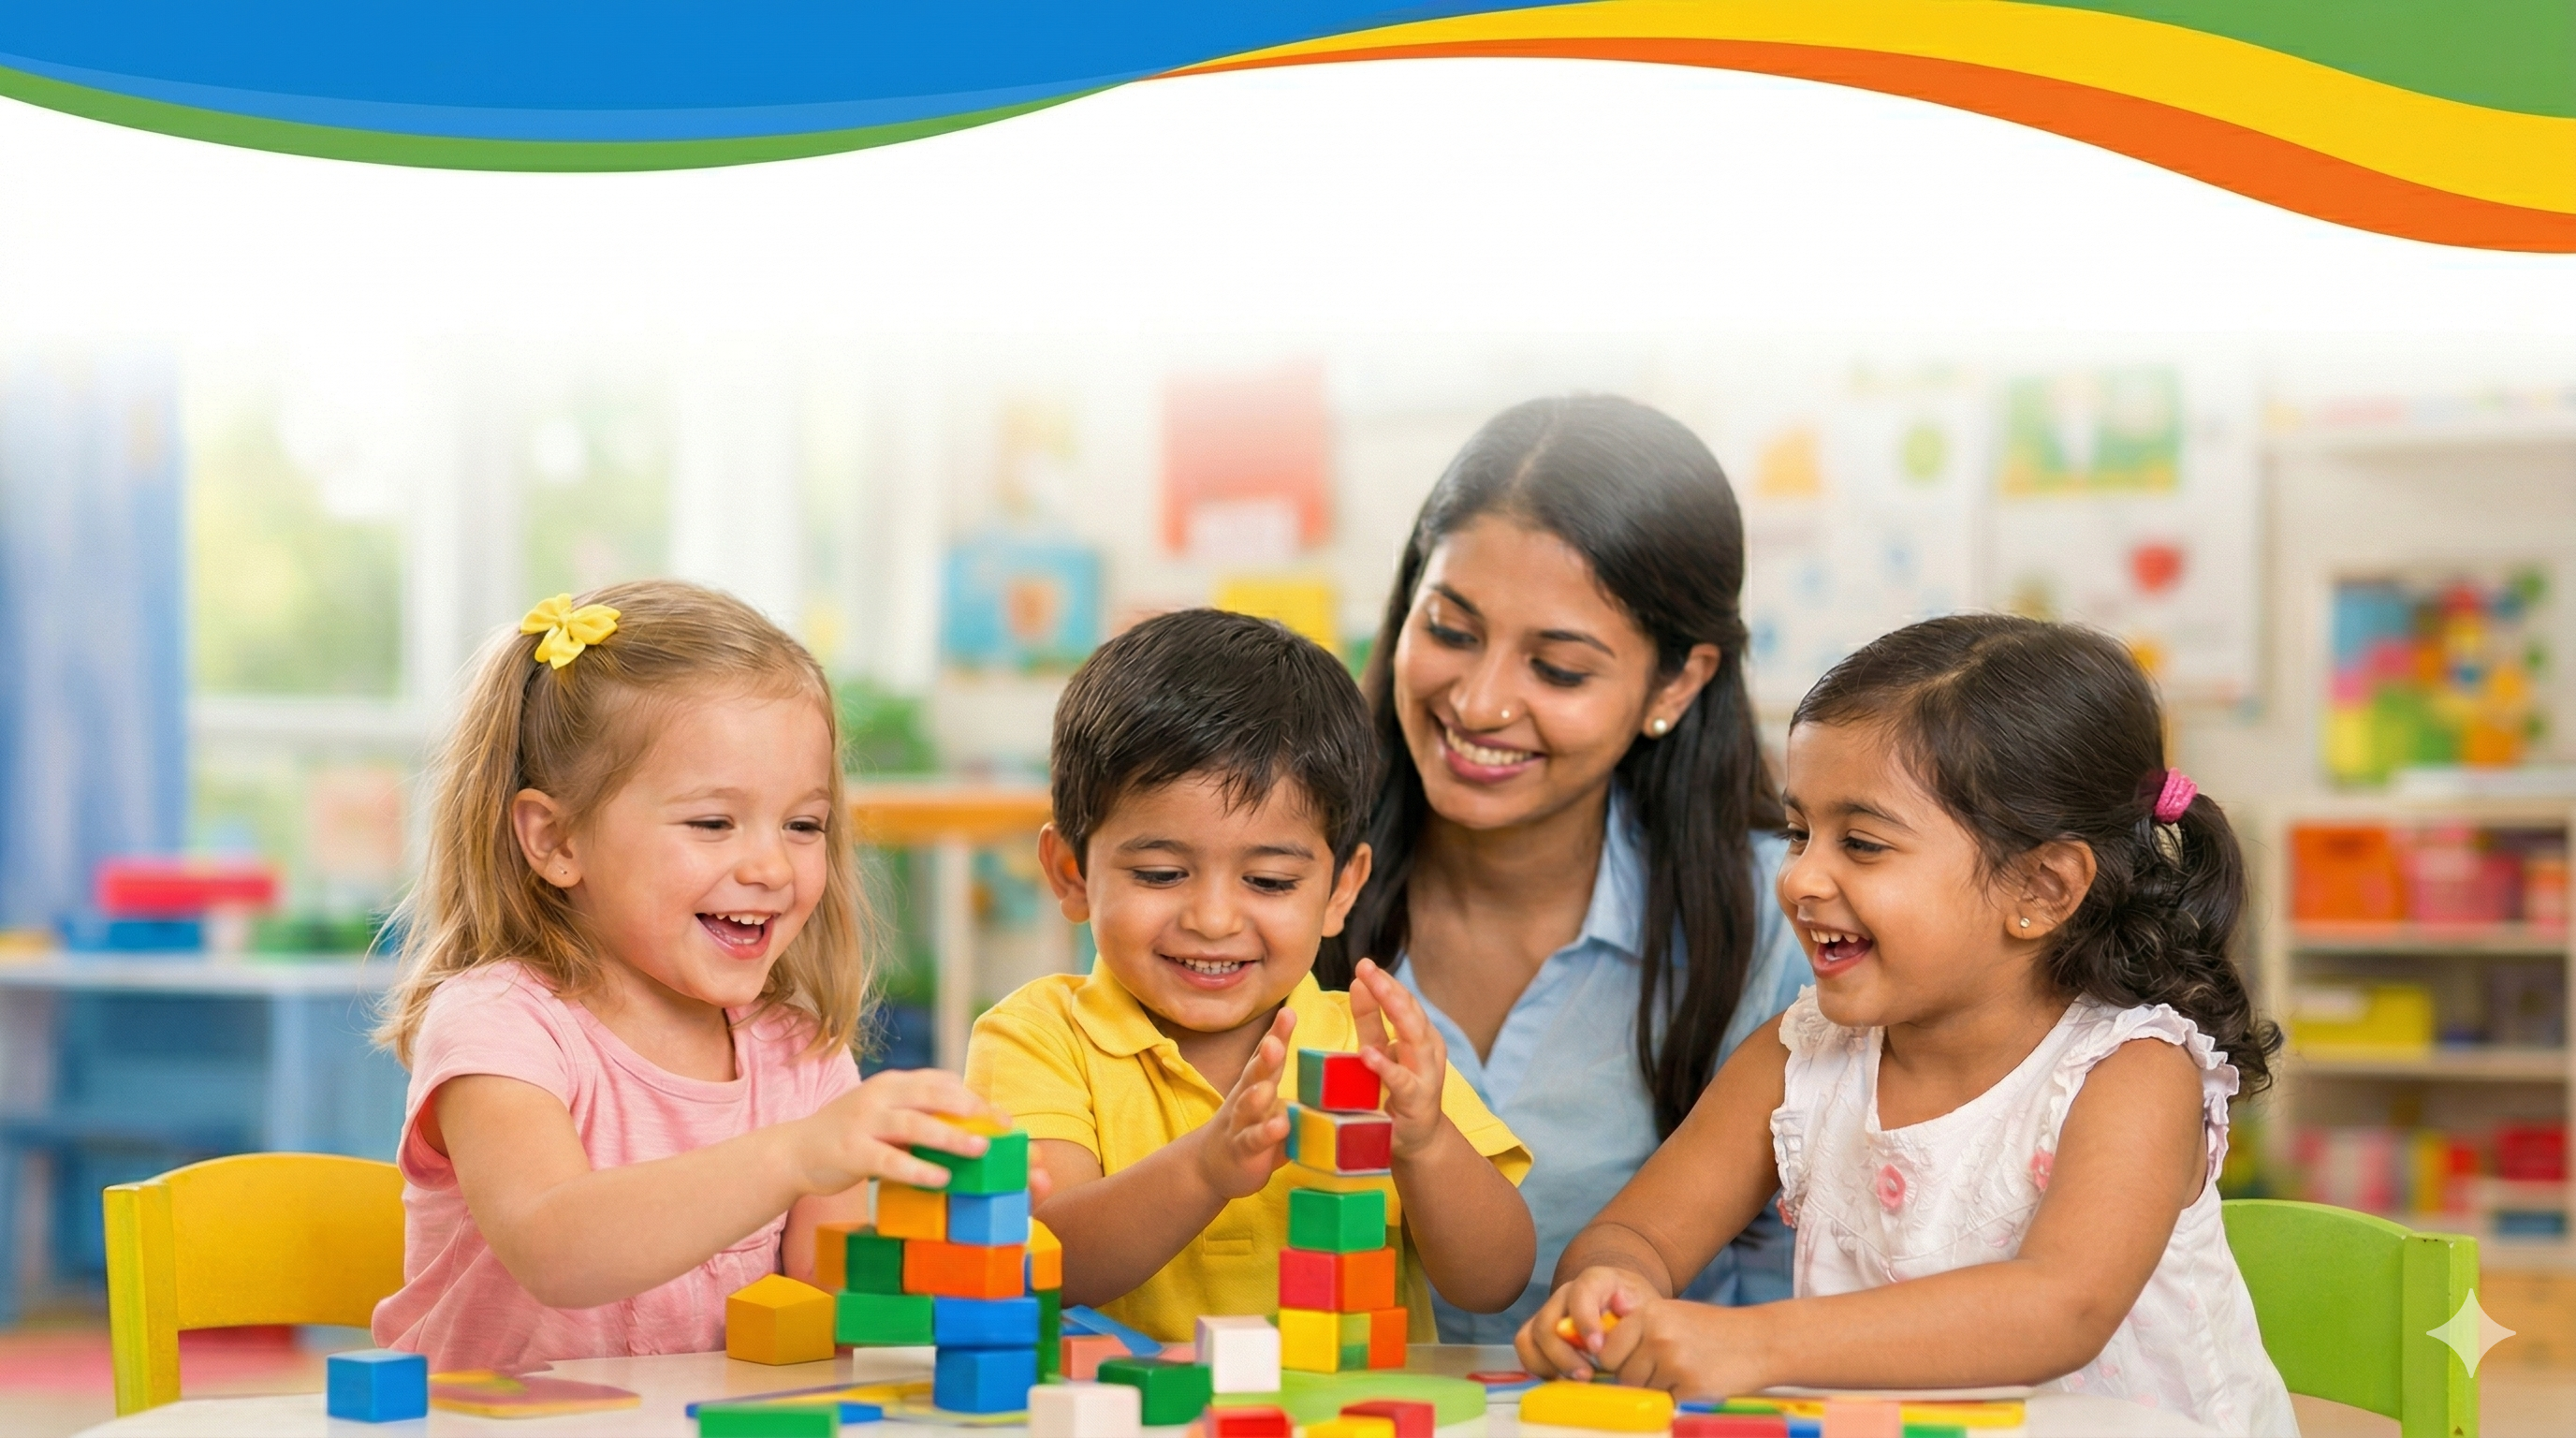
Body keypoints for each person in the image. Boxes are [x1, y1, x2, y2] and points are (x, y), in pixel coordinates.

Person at [1518, 614, 2299, 1435]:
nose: (1800, 879)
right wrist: (1612, 1288)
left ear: (2041, 889)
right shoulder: (1804, 1055)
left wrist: (1756, 1343)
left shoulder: (2131, 1072)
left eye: (1860, 843)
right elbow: (1638, 1231)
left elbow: (2057, 1310)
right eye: (1797, 833)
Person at [372, 580, 1013, 1372]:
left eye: (803, 825)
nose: (772, 866)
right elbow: (554, 1247)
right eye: (713, 823)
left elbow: (831, 1318)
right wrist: (794, 1157)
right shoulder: (499, 1024)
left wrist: (955, 1240)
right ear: (556, 839)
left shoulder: (802, 1059)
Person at [1319, 394, 1809, 1340]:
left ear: (1676, 682)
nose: (1480, 700)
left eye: (1559, 669)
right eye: (1452, 631)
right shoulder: (1271, 885)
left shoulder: (1777, 923)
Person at [966, 608, 1536, 1343]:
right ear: (1071, 873)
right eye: (1162, 873)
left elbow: (1493, 1283)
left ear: (1340, 891)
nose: (1211, 918)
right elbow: (1042, 1258)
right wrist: (1204, 1170)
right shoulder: (1038, 1038)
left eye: (1268, 882)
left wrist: (1426, 1143)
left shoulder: (1375, 1046)